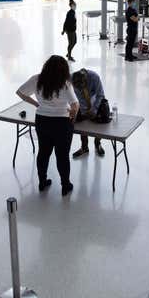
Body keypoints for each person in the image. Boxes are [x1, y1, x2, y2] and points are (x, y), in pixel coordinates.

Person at [16, 55, 79, 196]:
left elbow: (20, 92)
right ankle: (65, 185)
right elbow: (75, 105)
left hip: (42, 120)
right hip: (62, 123)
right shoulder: (64, 83)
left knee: (43, 153)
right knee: (62, 156)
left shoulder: (37, 79)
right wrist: (72, 117)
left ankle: (42, 182)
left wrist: (36, 104)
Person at [71, 69, 106, 158]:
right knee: (82, 124)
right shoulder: (71, 78)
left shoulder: (94, 77)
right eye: (78, 88)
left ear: (86, 80)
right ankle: (84, 147)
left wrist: (94, 109)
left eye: (82, 87)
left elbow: (100, 95)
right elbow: (72, 95)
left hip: (95, 101)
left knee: (98, 123)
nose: (80, 89)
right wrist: (83, 111)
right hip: (81, 103)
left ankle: (97, 143)